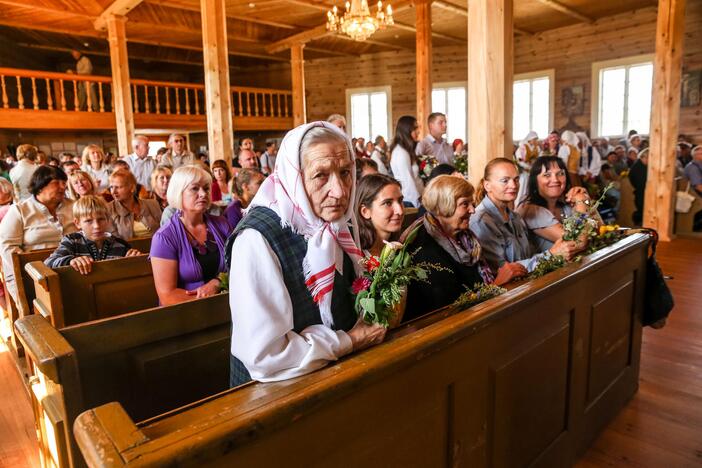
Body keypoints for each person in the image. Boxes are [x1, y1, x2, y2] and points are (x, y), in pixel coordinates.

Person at [227, 121, 386, 386]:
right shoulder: (256, 239)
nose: (340, 191)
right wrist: (350, 340)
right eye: (321, 175)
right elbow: (266, 356)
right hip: (272, 398)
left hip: (332, 378)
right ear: (294, 175)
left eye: (345, 172)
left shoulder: (337, 222)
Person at [402, 175, 524, 322]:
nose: (473, 210)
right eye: (465, 204)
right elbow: (450, 308)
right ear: (443, 206)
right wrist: (497, 285)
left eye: (472, 203)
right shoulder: (423, 246)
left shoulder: (464, 237)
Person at [470, 158, 579, 274]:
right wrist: (552, 254)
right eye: (505, 180)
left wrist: (555, 253)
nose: (513, 185)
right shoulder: (481, 221)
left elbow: (527, 258)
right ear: (487, 185)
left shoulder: (515, 217)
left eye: (516, 179)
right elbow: (502, 271)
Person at [150, 166, 231, 306]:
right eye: (195, 188)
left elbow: (241, 265)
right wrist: (208, 302)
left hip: (227, 304)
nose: (203, 194)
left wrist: (217, 283)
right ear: (178, 192)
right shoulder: (164, 237)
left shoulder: (222, 225)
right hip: (185, 312)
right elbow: (167, 296)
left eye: (206, 189)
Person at [0, 166, 76, 302]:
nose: (62, 187)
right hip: (32, 275)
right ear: (40, 185)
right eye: (56, 183)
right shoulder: (20, 210)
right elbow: (8, 248)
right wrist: (29, 274)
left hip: (74, 269)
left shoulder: (73, 206)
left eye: (64, 183)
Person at [516, 156, 596, 252]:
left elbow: (599, 228)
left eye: (560, 174)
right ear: (535, 180)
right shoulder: (531, 209)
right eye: (547, 175)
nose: (555, 180)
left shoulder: (564, 205)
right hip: (550, 267)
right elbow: (577, 243)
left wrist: (585, 197)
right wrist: (582, 202)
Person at [44, 195, 141, 274]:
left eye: (101, 219)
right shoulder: (72, 241)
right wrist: (70, 261)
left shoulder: (120, 244)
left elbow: (132, 272)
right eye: (88, 221)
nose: (96, 226)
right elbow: (48, 263)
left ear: (107, 219)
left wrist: (135, 259)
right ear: (77, 223)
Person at [356, 174, 404, 257]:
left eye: (400, 201)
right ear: (365, 211)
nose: (400, 211)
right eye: (387, 203)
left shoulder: (406, 248)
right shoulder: (356, 257)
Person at [107, 169, 161, 239]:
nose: (113, 192)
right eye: (111, 187)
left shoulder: (153, 204)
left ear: (132, 188)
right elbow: (113, 241)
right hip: (127, 249)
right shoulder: (108, 209)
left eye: (118, 187)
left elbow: (164, 231)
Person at [389, 115, 424, 207]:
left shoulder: (406, 150)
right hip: (411, 201)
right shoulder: (400, 152)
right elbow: (408, 182)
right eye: (415, 128)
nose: (418, 131)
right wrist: (418, 204)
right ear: (406, 130)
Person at [515, 131, 540, 204]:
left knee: (529, 189)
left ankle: (525, 203)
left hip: (531, 171)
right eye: (534, 139)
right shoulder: (523, 147)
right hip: (524, 171)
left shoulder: (536, 148)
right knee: (522, 188)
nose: (535, 141)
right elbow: (519, 160)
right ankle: (517, 204)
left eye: (536, 139)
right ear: (530, 139)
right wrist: (527, 166)